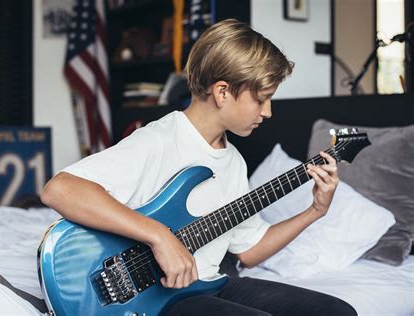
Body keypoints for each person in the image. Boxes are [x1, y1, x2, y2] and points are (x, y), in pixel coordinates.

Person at [41, 19, 357, 316]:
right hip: (156, 298)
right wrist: (160, 237)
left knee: (339, 312)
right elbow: (60, 189)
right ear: (222, 92)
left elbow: (249, 250)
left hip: (208, 284)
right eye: (262, 99)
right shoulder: (160, 140)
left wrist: (315, 210)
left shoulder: (233, 162)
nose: (268, 112)